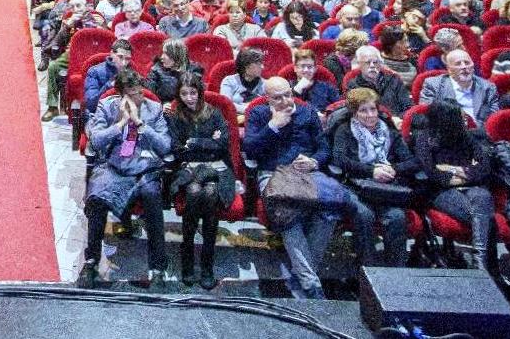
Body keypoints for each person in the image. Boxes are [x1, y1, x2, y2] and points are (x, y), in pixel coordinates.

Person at [243, 76, 338, 300]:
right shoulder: (259, 114)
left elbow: (324, 149)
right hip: (274, 174)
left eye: (288, 94)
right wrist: (273, 127)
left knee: (330, 210)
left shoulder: (308, 112)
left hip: (308, 172)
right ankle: (312, 285)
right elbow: (250, 150)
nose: (286, 100)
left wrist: (314, 161)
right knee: (288, 216)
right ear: (267, 99)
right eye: (278, 98)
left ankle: (303, 274)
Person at [78, 69, 170, 289]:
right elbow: (96, 141)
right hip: (113, 165)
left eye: (140, 92)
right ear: (121, 95)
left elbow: (165, 145)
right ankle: (91, 260)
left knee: (151, 195)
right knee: (97, 197)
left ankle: (158, 267)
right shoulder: (107, 106)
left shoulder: (154, 109)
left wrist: (140, 124)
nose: (139, 97)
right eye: (133, 94)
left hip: (144, 167)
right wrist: (119, 124)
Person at [330, 87, 417, 267]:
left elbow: (412, 161)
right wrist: (371, 171)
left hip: (386, 189)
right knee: (364, 215)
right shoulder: (345, 131)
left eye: (373, 109)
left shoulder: (390, 132)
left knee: (396, 217)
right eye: (363, 110)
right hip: (356, 186)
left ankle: (397, 272)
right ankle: (368, 270)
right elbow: (340, 160)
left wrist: (393, 169)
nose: (370, 115)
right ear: (354, 113)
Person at [165, 72, 233, 289]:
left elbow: (223, 144)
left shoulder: (214, 113)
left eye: (193, 92)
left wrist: (193, 142)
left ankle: (206, 264)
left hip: (217, 169)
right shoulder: (175, 116)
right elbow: (177, 150)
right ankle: (187, 257)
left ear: (200, 92)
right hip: (188, 169)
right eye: (184, 93)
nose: (189, 98)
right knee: (194, 191)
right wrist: (207, 143)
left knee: (211, 193)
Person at [412, 100, 496, 271]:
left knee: (483, 197)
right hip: (439, 192)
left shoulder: (466, 136)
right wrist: (467, 173)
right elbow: (431, 173)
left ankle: (480, 262)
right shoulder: (424, 137)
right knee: (484, 218)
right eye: (458, 116)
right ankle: (483, 266)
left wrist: (454, 171)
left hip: (470, 187)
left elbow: (485, 167)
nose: (463, 119)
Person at [418, 48, 501, 125]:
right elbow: (427, 116)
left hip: (479, 134)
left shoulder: (488, 87)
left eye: (467, 63)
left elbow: (493, 120)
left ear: (473, 66)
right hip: (448, 132)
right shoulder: (433, 85)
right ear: (449, 69)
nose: (464, 67)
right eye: (458, 64)